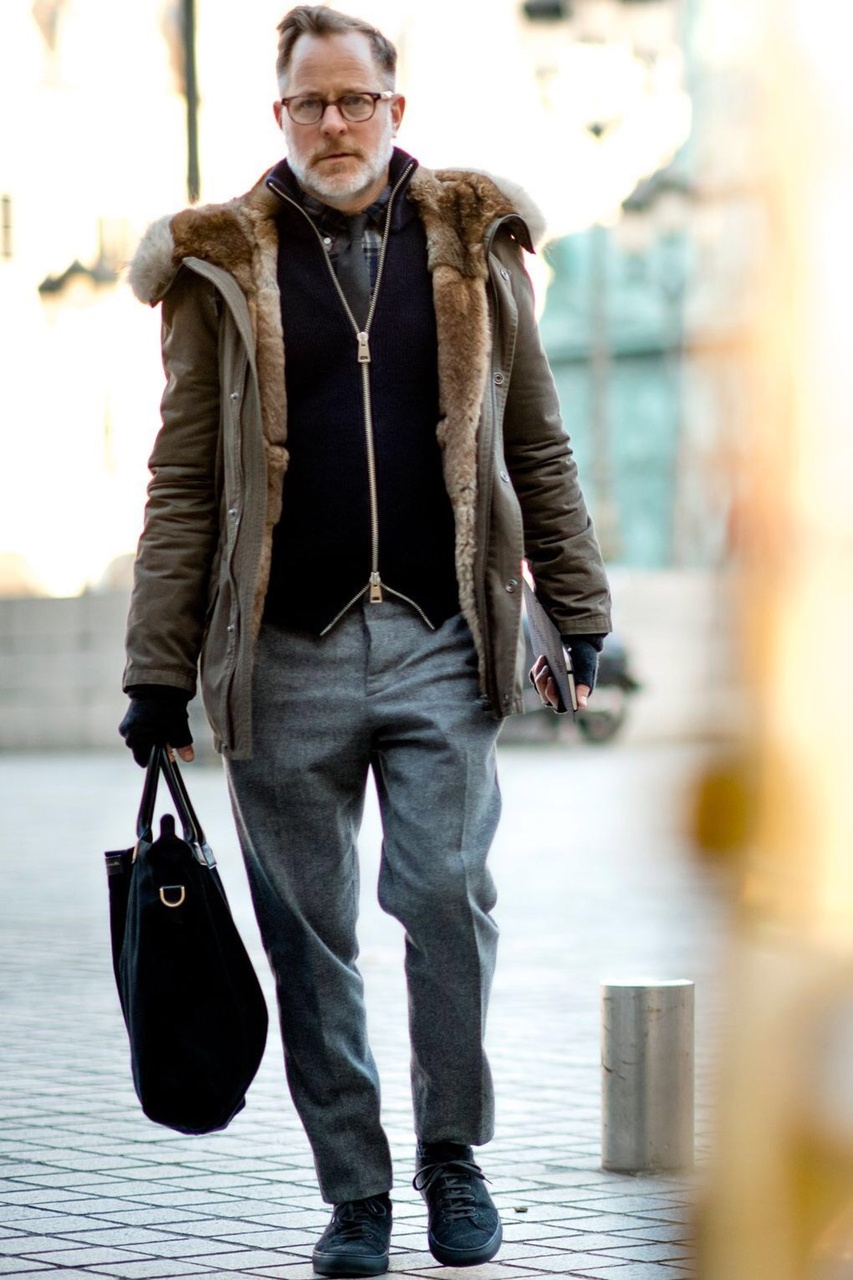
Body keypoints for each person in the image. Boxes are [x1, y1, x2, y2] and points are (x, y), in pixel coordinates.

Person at [119, 6, 611, 1275]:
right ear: (278, 114)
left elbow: (535, 440)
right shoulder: (220, 268)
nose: (334, 123)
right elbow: (182, 484)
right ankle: (356, 1192)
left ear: (398, 108)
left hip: (442, 636)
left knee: (445, 892)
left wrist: (578, 606)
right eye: (310, 102)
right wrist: (157, 669)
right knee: (308, 935)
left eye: (355, 100)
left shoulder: (475, 244)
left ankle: (452, 1153)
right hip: (279, 652)